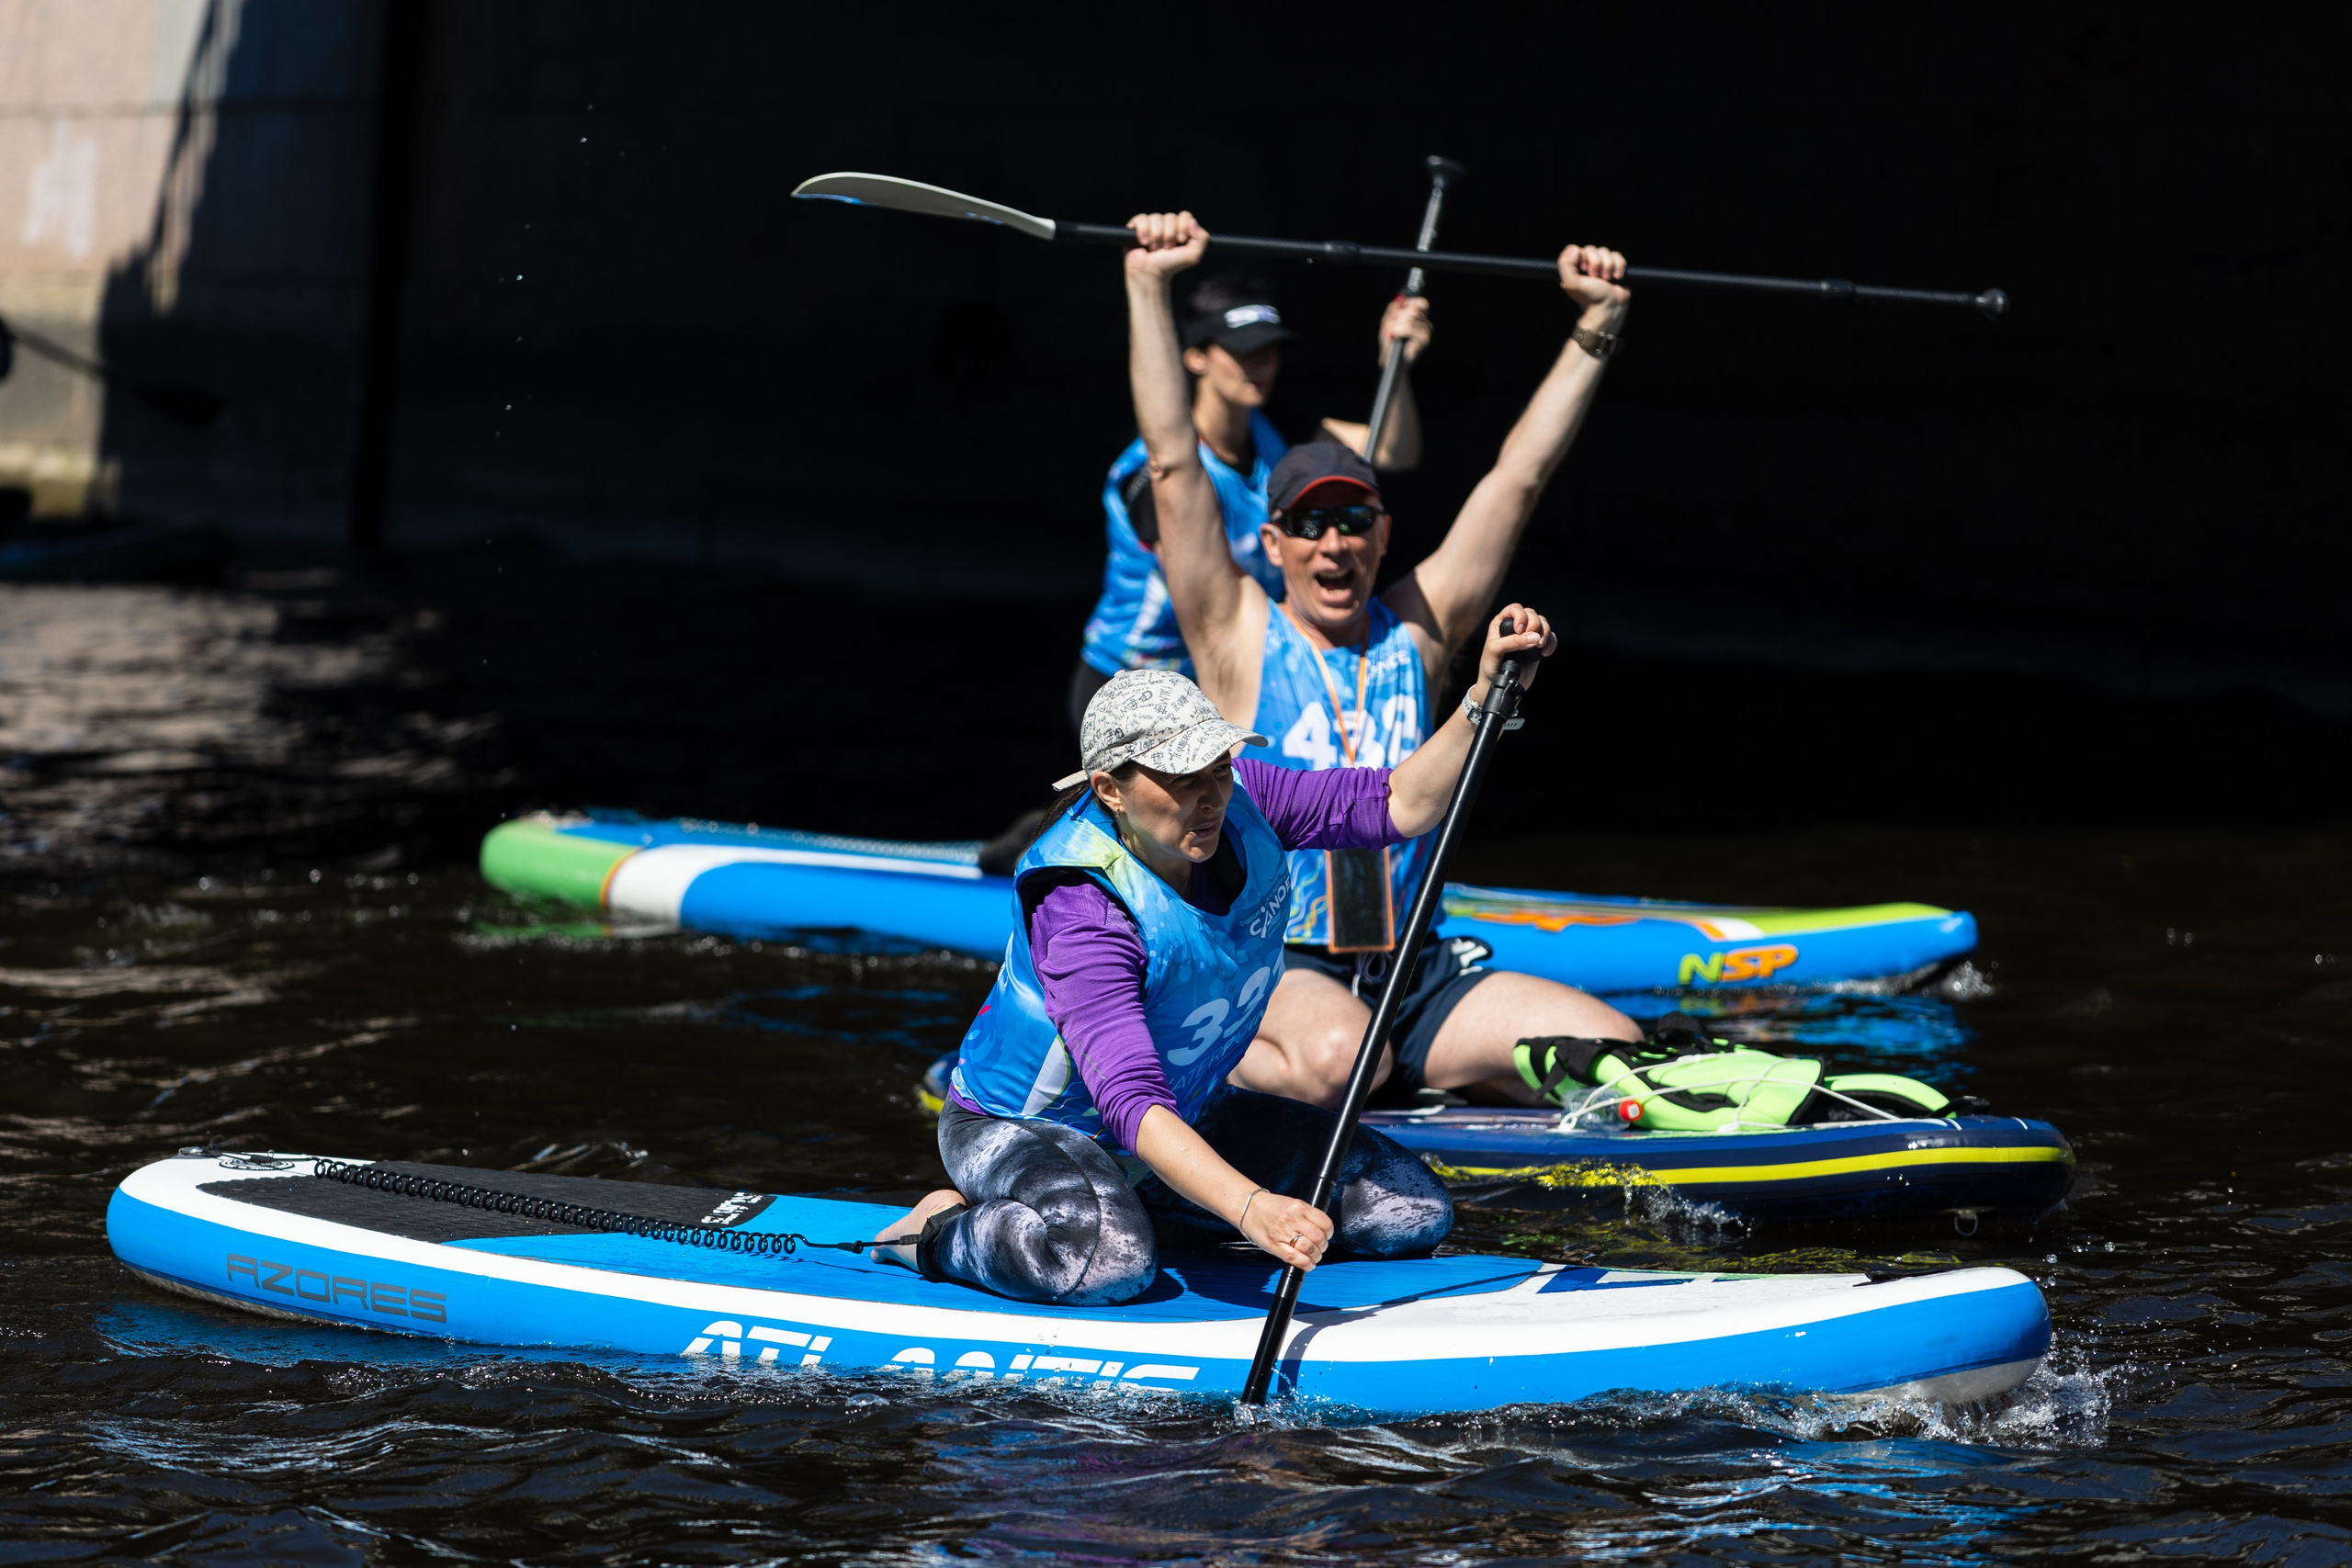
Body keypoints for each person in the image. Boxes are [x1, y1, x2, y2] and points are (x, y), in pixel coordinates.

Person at [1122, 209, 1645, 1111]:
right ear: (1273, 541)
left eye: (1354, 523)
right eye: (1311, 526)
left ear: (1381, 534)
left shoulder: (1422, 628)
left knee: (1612, 1050)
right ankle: (1180, 1046)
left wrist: (1596, 324)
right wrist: (1147, 286)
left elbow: (1517, 477)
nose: (1335, 546)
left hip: (1411, 967)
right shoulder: (1233, 627)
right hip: (1272, 965)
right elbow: (1173, 464)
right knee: (1343, 1062)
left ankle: (1406, 1079)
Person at [870, 617, 1551, 1304]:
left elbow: (1398, 804)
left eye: (1218, 767)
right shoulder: (1081, 905)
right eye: (1180, 778)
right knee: (1106, 1262)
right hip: (1032, 1128)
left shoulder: (1242, 799)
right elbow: (1130, 1098)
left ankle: (1150, 1209)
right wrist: (1252, 1206)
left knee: (1408, 1209)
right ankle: (937, 1231)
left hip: (1184, 1115)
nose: (1211, 796)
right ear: (1109, 789)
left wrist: (1480, 702)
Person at [1069, 276, 1433, 731]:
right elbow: (1203, 593)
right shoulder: (1149, 472)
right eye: (1242, 350)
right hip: (1131, 681)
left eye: (1268, 349)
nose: (1259, 364)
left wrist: (1395, 364)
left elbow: (1394, 451)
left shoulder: (1279, 429)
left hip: (1225, 673)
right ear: (1195, 357)